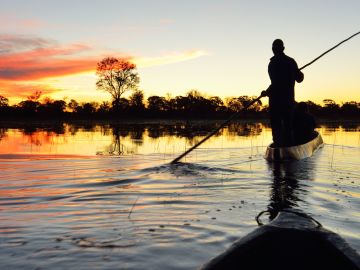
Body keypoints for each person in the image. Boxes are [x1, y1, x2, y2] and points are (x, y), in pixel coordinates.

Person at [262, 39, 304, 147]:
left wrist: (267, 92)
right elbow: (299, 79)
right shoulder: (291, 62)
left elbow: (275, 83)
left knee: (278, 126)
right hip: (287, 101)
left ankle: (280, 147)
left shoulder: (273, 63)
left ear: (274, 49)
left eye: (274, 47)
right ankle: (287, 147)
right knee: (287, 126)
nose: (274, 49)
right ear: (283, 48)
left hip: (277, 101)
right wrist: (299, 73)